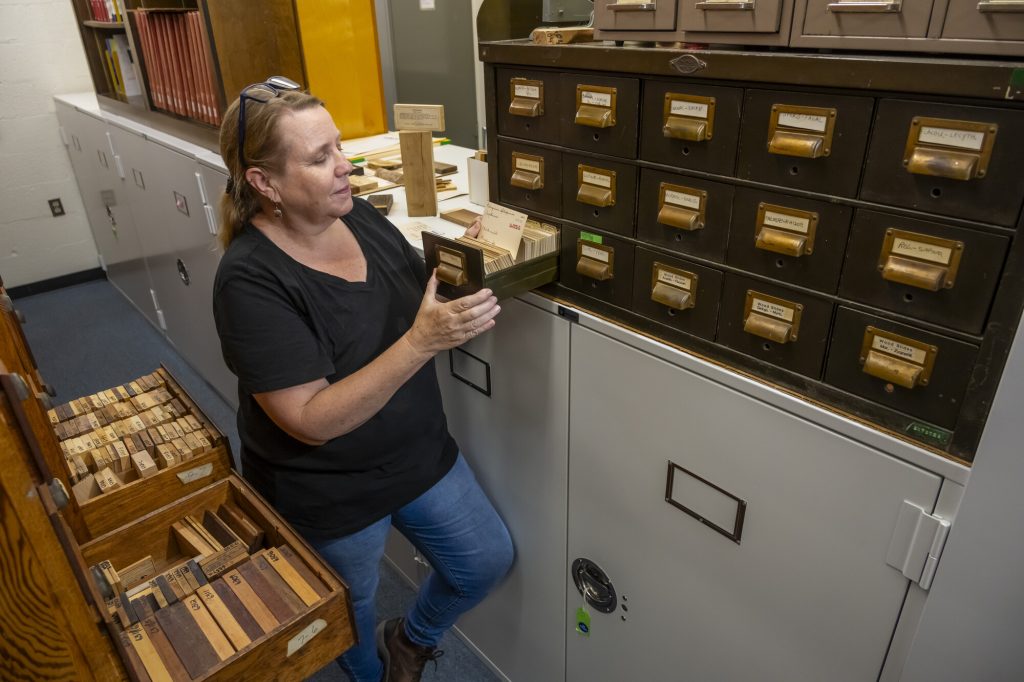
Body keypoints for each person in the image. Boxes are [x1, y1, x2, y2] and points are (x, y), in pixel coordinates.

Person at [212, 77, 514, 682]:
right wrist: (422, 341)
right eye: (320, 158)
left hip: (416, 453)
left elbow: (405, 284)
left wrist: (463, 257)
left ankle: (410, 640)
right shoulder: (249, 281)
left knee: (484, 561)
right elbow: (310, 421)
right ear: (264, 183)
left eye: (339, 147)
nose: (345, 167)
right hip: (328, 489)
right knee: (350, 612)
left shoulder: (360, 214)